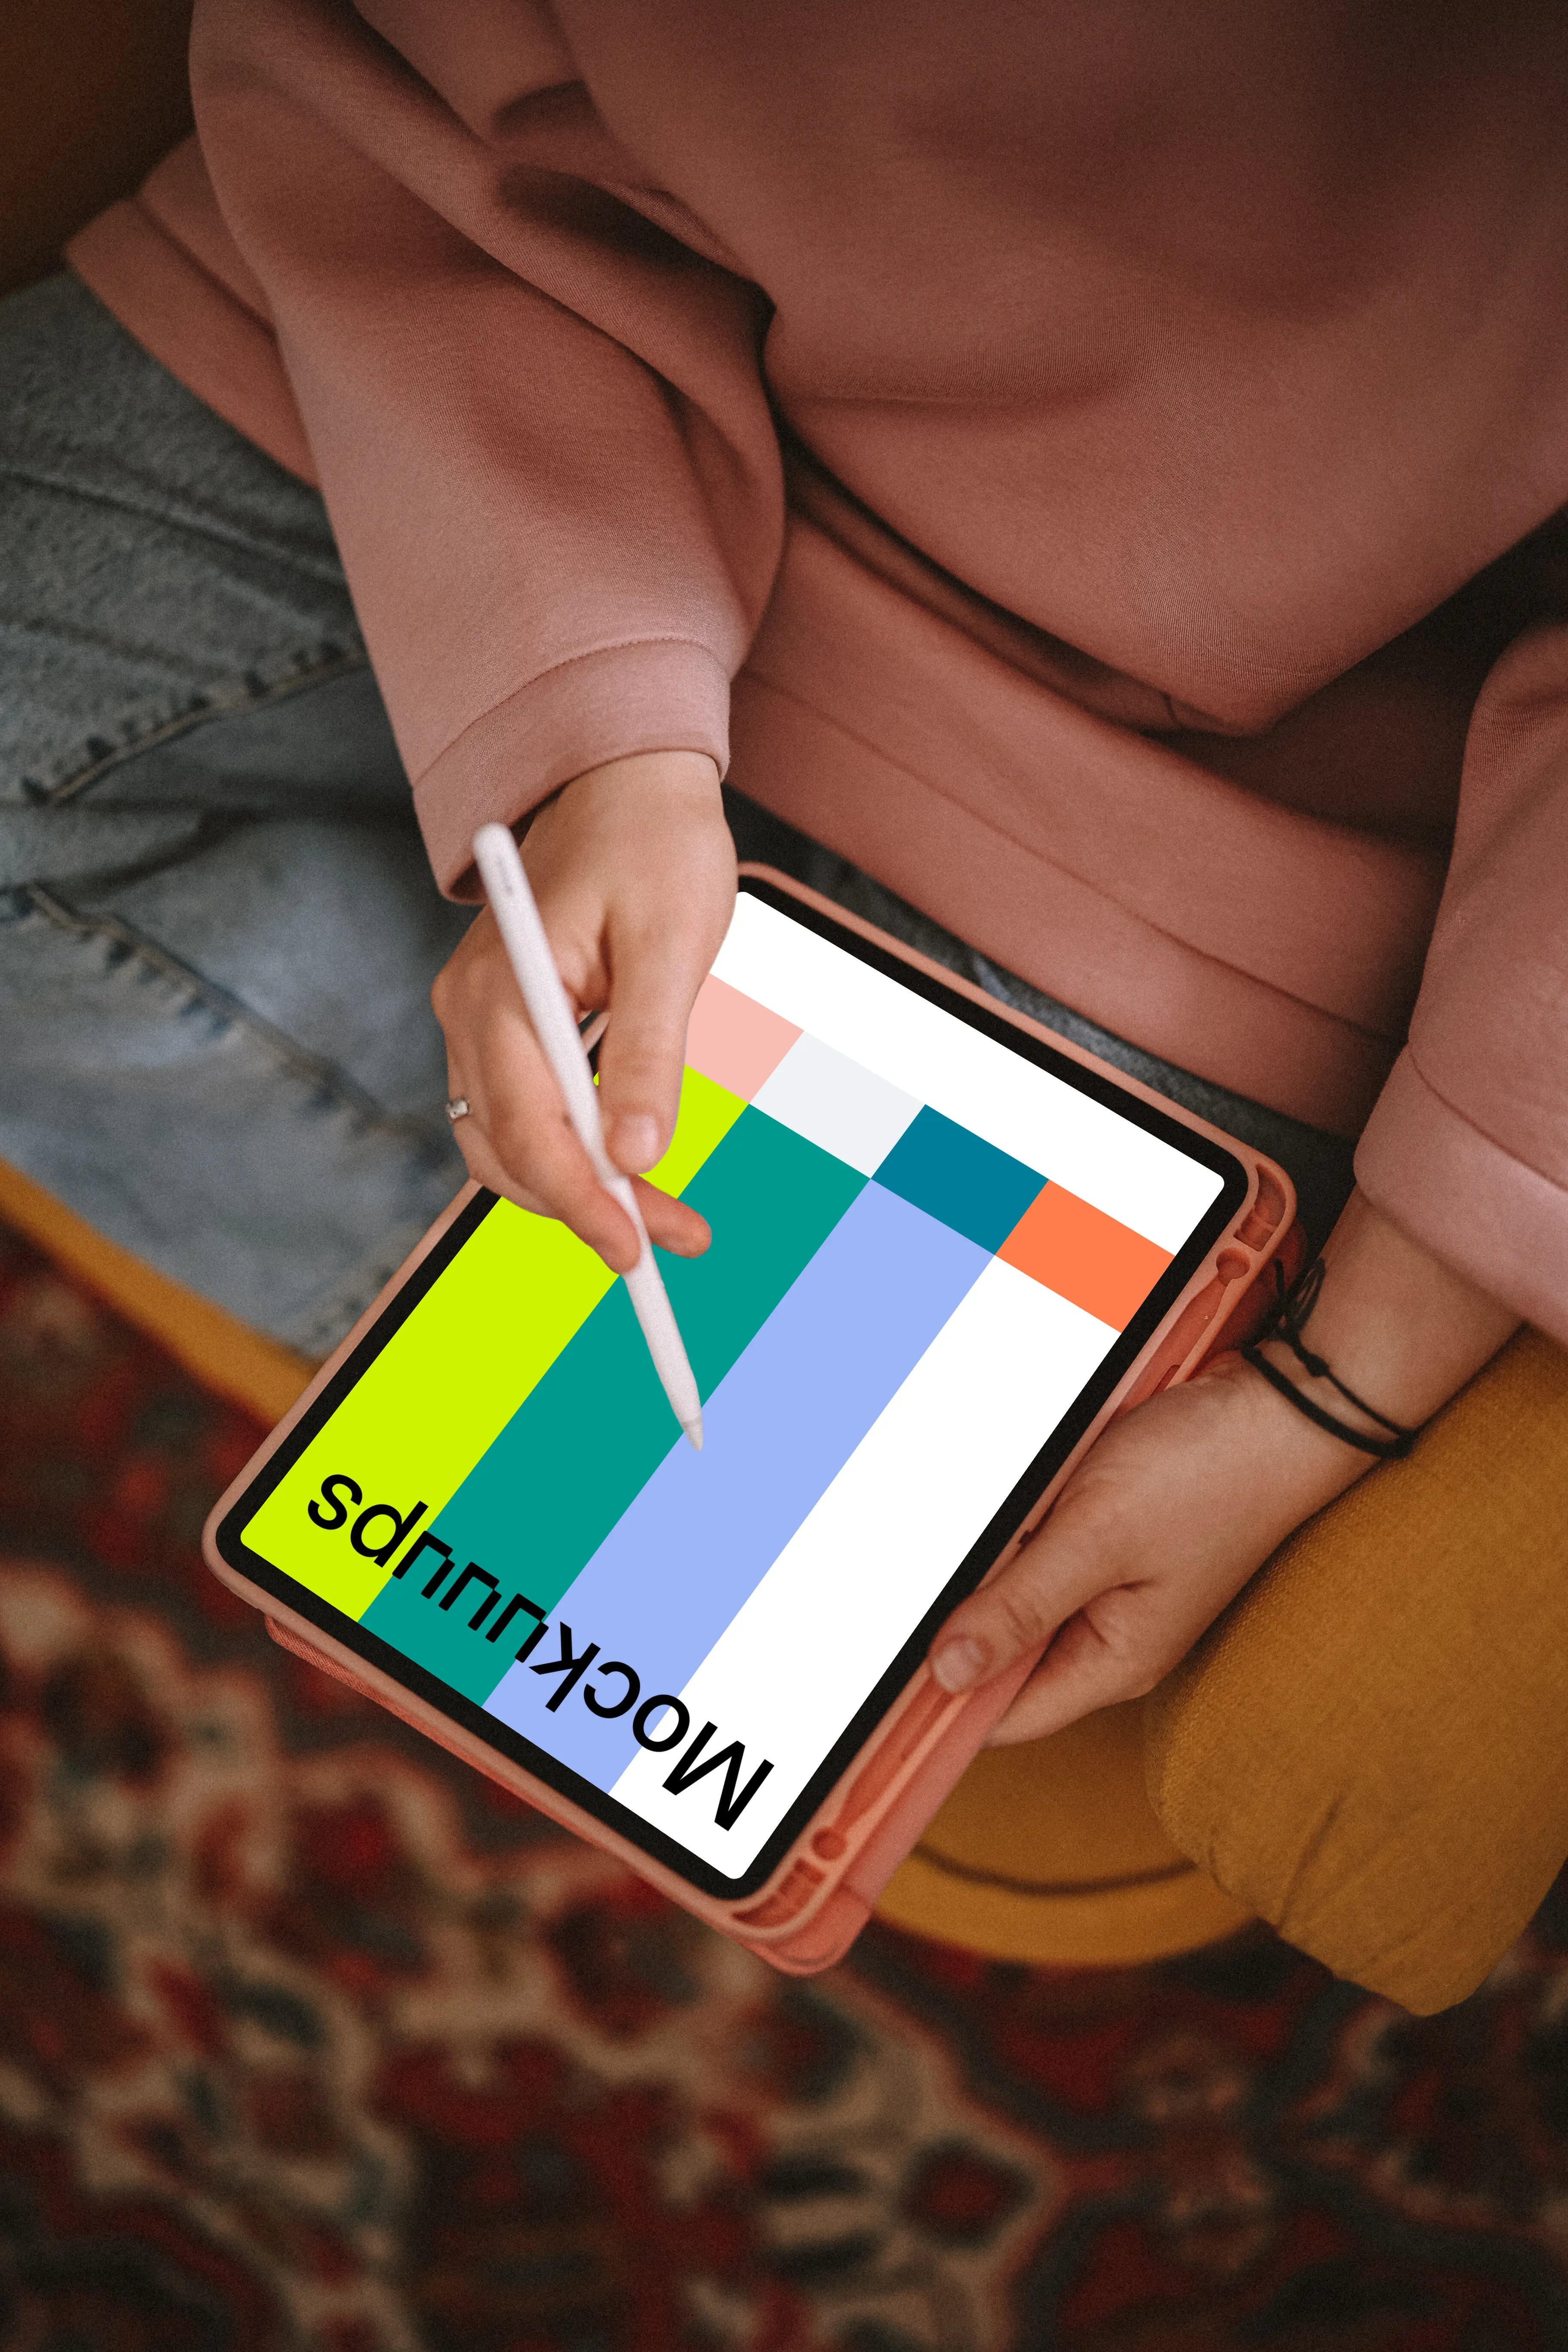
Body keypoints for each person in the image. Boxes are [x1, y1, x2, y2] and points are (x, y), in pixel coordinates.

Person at [1, 0, 1559, 1770]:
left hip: (1248, 812)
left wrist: (1331, 1396)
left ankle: (518, 1401)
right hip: (502, 325)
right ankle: (520, 1380)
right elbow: (409, 66)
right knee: (749, 1617)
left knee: (833, 1629)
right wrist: (603, 733)